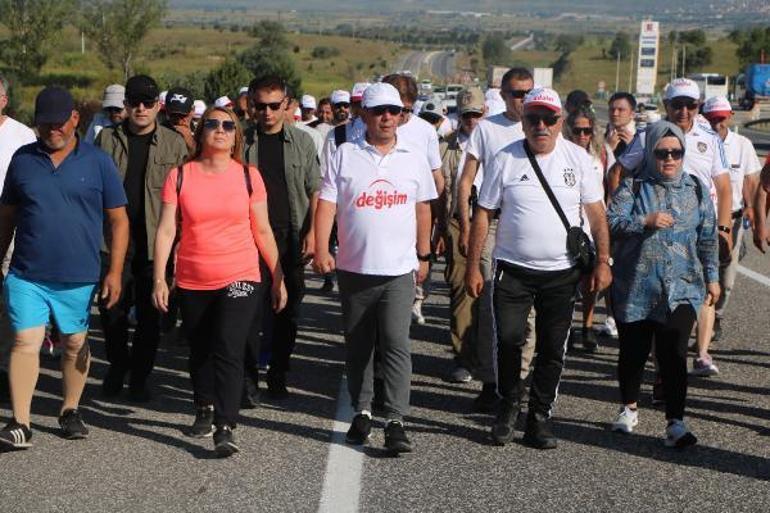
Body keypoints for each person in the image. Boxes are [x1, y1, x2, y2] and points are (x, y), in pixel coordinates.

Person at [466, 87, 611, 449]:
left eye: (549, 119)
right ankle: (508, 404)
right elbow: (483, 213)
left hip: (561, 273)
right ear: (524, 122)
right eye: (533, 119)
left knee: (551, 348)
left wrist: (603, 262)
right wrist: (472, 266)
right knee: (510, 340)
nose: (541, 126)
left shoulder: (578, 159)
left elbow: (597, 216)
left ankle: (539, 416)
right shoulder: (504, 158)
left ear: (560, 121)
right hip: (512, 269)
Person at [152, 106, 287, 457]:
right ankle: (203, 405)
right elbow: (167, 230)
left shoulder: (249, 177)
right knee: (200, 347)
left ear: (237, 136)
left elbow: (262, 228)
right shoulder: (180, 176)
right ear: (200, 133)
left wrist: (277, 275)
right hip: (194, 276)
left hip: (240, 273)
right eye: (212, 124)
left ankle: (225, 425)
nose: (220, 130)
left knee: (229, 346)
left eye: (229, 125)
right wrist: (160, 278)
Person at [0, 87, 129, 449]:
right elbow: (7, 215)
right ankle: (20, 422)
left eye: (59, 122)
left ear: (75, 119)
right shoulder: (23, 159)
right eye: (44, 124)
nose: (52, 130)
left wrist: (114, 271)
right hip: (27, 272)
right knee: (26, 341)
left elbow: (118, 220)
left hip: (78, 275)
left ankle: (70, 409)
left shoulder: (98, 161)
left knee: (74, 343)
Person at [313, 82, 437, 453]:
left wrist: (425, 254)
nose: (387, 118)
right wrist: (322, 248)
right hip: (355, 268)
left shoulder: (413, 157)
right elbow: (326, 205)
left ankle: (396, 419)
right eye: (379, 111)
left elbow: (423, 208)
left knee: (397, 344)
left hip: (399, 270)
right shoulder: (345, 153)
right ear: (363, 115)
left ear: (401, 115)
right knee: (359, 345)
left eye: (394, 111)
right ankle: (362, 411)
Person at [609, 78, 731, 378]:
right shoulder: (647, 135)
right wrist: (624, 212)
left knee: (699, 294)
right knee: (656, 305)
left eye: (692, 105)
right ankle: (663, 366)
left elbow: (725, 187)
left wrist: (724, 228)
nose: (686, 111)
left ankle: (696, 355)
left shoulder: (710, 138)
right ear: (667, 106)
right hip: (651, 235)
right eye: (678, 105)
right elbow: (619, 172)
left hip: (696, 232)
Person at [607, 121, 719, 448]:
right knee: (634, 352)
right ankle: (628, 408)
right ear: (651, 152)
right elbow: (611, 223)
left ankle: (675, 423)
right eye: (662, 152)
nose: (669, 159)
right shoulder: (634, 187)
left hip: (682, 288)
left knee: (673, 354)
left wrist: (712, 277)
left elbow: (708, 237)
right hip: (636, 288)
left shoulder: (697, 189)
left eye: (676, 152)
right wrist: (645, 221)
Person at [96, 75, 188, 401]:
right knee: (111, 311)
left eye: (148, 103)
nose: (140, 108)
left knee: (151, 316)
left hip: (155, 243)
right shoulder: (106, 139)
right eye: (134, 102)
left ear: (158, 106)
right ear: (126, 104)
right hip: (112, 241)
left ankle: (139, 376)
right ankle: (118, 365)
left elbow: (184, 197)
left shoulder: (174, 144)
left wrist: (180, 243)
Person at [457, 67, 536, 411]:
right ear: (502, 96)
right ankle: (491, 380)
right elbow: (466, 180)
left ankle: (518, 378)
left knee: (529, 309)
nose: (522, 100)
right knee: (490, 302)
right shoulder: (487, 129)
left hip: (528, 225)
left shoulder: (540, 126)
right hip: (490, 222)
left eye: (527, 92)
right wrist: (464, 222)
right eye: (516, 94)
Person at [243, 75, 320, 399]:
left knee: (287, 311)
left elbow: (315, 190)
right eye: (261, 106)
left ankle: (278, 372)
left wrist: (314, 233)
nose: (268, 113)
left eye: (275, 106)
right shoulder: (241, 142)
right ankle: (248, 381)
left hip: (291, 235)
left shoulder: (302, 142)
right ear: (250, 107)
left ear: (287, 105)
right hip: (249, 236)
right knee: (250, 310)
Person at [437, 86, 498, 393]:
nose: (473, 121)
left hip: (494, 221)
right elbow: (439, 191)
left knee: (490, 289)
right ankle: (464, 355)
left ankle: (490, 355)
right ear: (459, 117)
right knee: (462, 287)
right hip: (459, 222)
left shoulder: (496, 140)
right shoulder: (446, 147)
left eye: (477, 114)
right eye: (467, 115)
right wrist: (441, 230)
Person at [701, 96, 761, 345]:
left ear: (730, 117)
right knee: (701, 276)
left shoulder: (742, 144)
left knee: (726, 281)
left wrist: (751, 209)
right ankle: (699, 324)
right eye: (712, 118)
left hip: (732, 222)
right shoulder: (698, 142)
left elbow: (751, 181)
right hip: (702, 221)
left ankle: (717, 316)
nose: (717, 123)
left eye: (721, 118)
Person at [0, 75, 37, 402]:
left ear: (4, 100)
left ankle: (6, 366)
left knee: (9, 300)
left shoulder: (22, 135)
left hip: (11, 227)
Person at [564, 105, 610, 353]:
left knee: (591, 279)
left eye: (587, 131)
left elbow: (609, 183)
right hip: (569, 223)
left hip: (593, 223)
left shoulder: (600, 154)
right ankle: (569, 325)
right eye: (578, 131)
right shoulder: (562, 154)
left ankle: (588, 325)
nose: (582, 136)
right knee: (569, 279)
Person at [604, 92, 637, 172]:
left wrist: (634, 148)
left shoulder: (643, 137)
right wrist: (607, 149)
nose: (615, 114)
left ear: (632, 114)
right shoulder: (599, 137)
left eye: (621, 110)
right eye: (612, 109)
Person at [163, 86, 196, 154]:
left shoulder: (202, 132)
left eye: (183, 116)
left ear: (193, 111)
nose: (179, 121)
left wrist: (190, 142)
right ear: (166, 111)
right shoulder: (158, 133)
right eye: (173, 115)